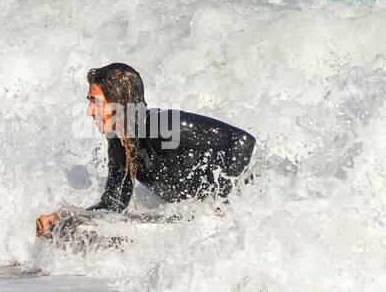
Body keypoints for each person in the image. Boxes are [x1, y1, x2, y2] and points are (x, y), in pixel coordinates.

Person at [36, 63, 255, 237]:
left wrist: (219, 206)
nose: (89, 111)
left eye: (96, 102)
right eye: (89, 102)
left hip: (254, 200)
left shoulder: (163, 125)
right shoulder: (120, 141)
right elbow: (114, 204)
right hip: (201, 217)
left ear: (119, 101)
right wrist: (67, 217)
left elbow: (242, 141)